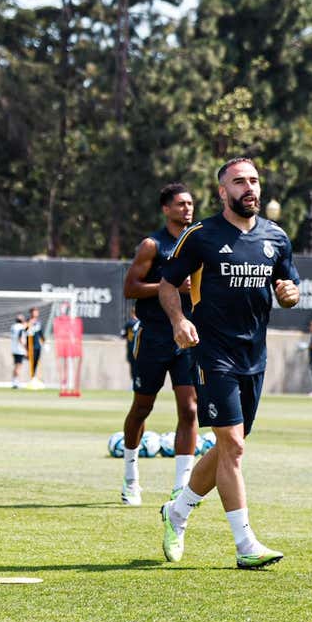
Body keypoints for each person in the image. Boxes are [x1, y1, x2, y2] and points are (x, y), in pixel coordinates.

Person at [159, 156, 300, 569]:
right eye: (239, 182)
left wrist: (290, 294)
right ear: (223, 191)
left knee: (227, 448)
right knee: (233, 447)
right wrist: (179, 320)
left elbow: (287, 286)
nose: (249, 188)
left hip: (254, 356)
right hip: (212, 353)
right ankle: (245, 545)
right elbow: (168, 284)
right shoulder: (201, 235)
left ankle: (177, 512)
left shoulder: (276, 237)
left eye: (254, 180)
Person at [118, 183, 199, 506]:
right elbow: (130, 288)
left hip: (187, 336)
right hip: (153, 335)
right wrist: (171, 287)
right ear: (166, 209)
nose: (187, 209)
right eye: (180, 204)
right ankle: (130, 478)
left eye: (190, 204)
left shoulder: (199, 243)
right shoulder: (153, 245)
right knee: (142, 408)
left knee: (190, 409)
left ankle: (181, 487)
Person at [26, 307, 45, 387]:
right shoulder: (28, 321)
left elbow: (41, 334)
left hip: (38, 346)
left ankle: (36, 377)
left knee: (37, 362)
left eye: (37, 312)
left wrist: (44, 343)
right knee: (32, 362)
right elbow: (24, 330)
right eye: (34, 312)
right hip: (30, 345)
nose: (36, 313)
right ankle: (32, 377)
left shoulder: (39, 322)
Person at [122, 310, 140, 385]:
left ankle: (134, 382)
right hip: (139, 348)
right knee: (138, 366)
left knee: (133, 366)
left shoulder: (129, 323)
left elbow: (123, 334)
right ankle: (137, 382)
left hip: (131, 347)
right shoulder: (141, 323)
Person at [10, 314, 27, 387]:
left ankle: (14, 381)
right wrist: (25, 348)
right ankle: (16, 382)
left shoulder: (13, 326)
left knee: (16, 366)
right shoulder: (21, 327)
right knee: (18, 366)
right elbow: (20, 338)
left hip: (14, 348)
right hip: (19, 349)